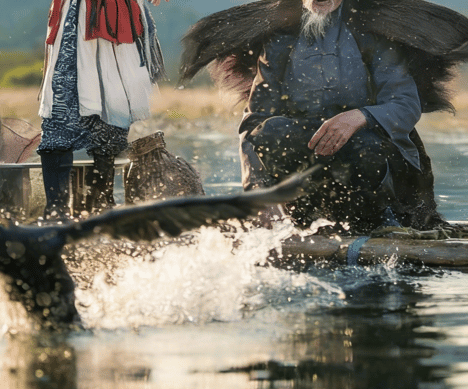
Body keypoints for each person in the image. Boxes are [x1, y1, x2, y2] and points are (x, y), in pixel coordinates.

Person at [180, 0, 468, 232]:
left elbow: (405, 104)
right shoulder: (279, 42)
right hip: (308, 164)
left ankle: (374, 224)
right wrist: (257, 197)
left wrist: (360, 116)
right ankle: (303, 221)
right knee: (272, 132)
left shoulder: (371, 35)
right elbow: (253, 124)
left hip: (373, 161)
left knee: (365, 148)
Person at [38, 0, 168, 218]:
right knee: (61, 110)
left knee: (111, 111)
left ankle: (100, 203)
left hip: (112, 18)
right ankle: (57, 211)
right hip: (78, 20)